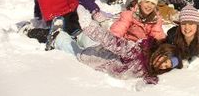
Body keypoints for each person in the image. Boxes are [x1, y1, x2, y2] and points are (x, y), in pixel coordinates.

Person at [53, 20, 182, 84]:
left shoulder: (149, 68)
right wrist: (91, 29)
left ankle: (77, 34)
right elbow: (114, 43)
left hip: (101, 52)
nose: (162, 65)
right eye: (164, 60)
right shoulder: (137, 52)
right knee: (76, 51)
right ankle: (57, 36)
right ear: (161, 52)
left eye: (166, 67)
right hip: (97, 58)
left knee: (88, 43)